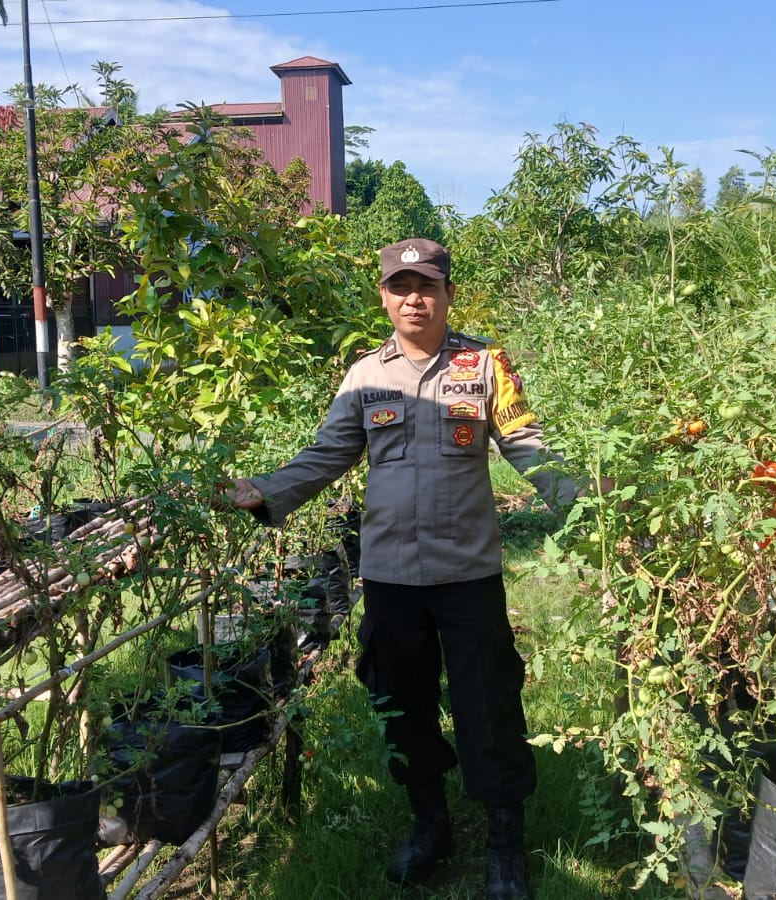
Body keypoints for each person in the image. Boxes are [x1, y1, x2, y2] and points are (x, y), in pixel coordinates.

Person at [224, 238, 574, 899]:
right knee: (401, 705)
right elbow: (328, 453)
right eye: (400, 287)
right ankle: (429, 822)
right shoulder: (365, 376)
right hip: (390, 576)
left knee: (489, 704)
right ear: (384, 297)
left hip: (468, 573)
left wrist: (589, 503)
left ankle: (504, 842)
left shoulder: (485, 364)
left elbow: (527, 444)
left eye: (427, 286)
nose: (414, 298)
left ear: (448, 294)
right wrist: (265, 490)